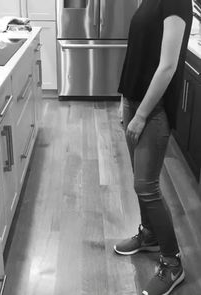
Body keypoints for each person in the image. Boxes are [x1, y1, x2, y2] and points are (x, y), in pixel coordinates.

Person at [114, 0, 193, 294]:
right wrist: (124, 100)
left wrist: (142, 114)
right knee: (140, 184)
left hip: (153, 110)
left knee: (146, 186)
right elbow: (138, 53)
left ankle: (173, 264)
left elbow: (168, 65)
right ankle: (149, 235)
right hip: (134, 102)